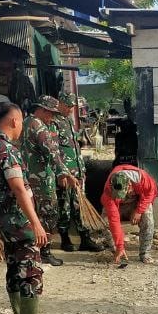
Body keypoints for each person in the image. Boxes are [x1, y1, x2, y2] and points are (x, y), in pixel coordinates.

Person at [0, 102, 52, 314]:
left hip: (6, 221)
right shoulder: (7, 150)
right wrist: (36, 223)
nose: (22, 128)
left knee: (15, 269)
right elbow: (17, 187)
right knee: (30, 272)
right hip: (19, 222)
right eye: (21, 123)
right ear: (15, 121)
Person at [22, 95, 75, 267]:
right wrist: (66, 173)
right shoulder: (38, 126)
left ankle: (33, 249)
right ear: (42, 110)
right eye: (51, 113)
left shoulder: (25, 123)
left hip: (28, 178)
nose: (52, 118)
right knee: (49, 214)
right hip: (42, 180)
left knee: (32, 214)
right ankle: (45, 252)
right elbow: (52, 152)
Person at [53, 91, 103, 252]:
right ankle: (65, 238)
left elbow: (74, 148)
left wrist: (82, 170)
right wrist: (61, 173)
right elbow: (54, 151)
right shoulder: (54, 122)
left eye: (72, 107)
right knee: (65, 206)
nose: (70, 109)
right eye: (68, 106)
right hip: (66, 174)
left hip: (77, 173)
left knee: (79, 205)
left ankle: (85, 239)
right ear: (60, 103)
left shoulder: (68, 121)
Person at [100, 163, 158, 266]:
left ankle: (145, 253)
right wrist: (120, 245)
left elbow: (150, 193)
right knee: (104, 221)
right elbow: (113, 219)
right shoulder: (108, 192)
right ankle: (117, 251)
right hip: (119, 206)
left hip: (137, 203)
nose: (121, 196)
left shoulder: (143, 178)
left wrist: (138, 211)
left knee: (148, 217)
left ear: (129, 185)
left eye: (123, 192)